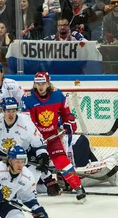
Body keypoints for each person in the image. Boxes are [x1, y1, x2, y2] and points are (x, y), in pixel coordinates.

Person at [21, 71, 86, 202]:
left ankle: (78, 187)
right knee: (34, 167)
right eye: (37, 83)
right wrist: (37, 141)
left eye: (43, 83)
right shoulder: (27, 98)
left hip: (52, 136)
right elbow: (28, 124)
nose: (40, 86)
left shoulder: (57, 95)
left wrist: (68, 122)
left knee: (62, 160)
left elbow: (66, 112)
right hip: (34, 139)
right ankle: (22, 191)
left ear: (48, 83)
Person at [0, 98, 51, 183]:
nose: (11, 114)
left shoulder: (26, 122)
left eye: (13, 111)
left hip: (22, 157)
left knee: (28, 182)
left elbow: (38, 143)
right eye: (8, 111)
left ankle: (46, 178)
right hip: (2, 155)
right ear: (2, 111)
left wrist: (42, 155)